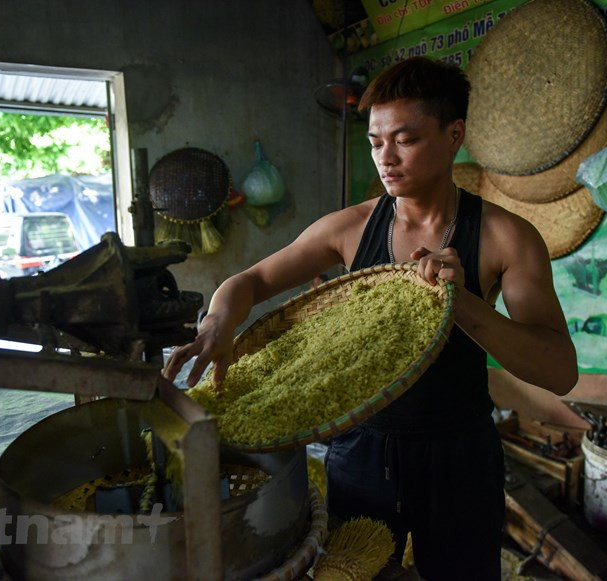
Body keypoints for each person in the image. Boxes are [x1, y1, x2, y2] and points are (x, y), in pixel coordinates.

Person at [163, 56, 577, 579]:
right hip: (361, 452)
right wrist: (217, 324)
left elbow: (560, 370)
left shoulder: (503, 237)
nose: (387, 157)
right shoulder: (354, 228)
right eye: (376, 141)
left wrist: (463, 304)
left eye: (405, 139)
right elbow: (249, 282)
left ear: (454, 136)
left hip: (458, 455)